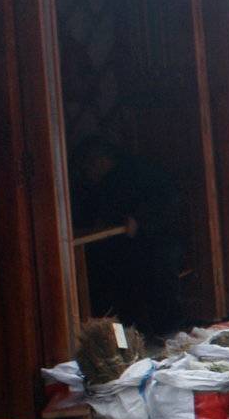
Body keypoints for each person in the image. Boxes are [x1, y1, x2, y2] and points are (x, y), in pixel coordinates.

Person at [72, 137, 187, 337]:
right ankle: (123, 341)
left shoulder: (137, 173)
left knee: (156, 277)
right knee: (109, 288)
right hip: (118, 247)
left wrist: (139, 219)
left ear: (100, 160)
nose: (87, 172)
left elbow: (166, 199)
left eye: (89, 165)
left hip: (156, 240)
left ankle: (167, 333)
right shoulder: (94, 185)